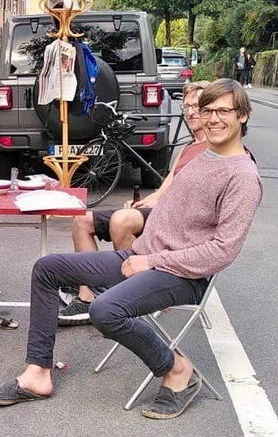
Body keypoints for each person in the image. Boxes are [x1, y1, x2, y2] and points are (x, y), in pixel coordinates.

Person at [0, 79, 262, 421]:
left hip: (181, 275)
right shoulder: (202, 155)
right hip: (140, 257)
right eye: (207, 111)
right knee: (47, 268)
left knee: (104, 310)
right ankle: (37, 373)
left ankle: (177, 371)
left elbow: (223, 251)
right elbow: (172, 209)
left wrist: (152, 261)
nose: (213, 119)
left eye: (224, 111)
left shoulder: (243, 177)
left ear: (243, 116)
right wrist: (133, 223)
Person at [60, 80, 212, 326]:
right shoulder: (188, 148)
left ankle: (128, 297)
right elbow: (162, 191)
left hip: (175, 220)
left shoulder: (213, 151)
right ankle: (88, 297)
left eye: (198, 106)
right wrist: (140, 204)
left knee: (122, 221)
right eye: (187, 106)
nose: (191, 112)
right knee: (81, 219)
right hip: (161, 209)